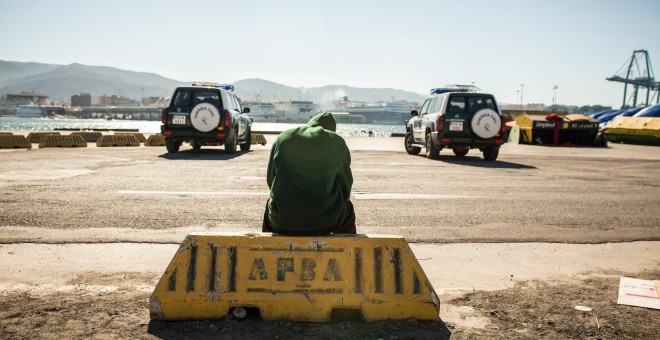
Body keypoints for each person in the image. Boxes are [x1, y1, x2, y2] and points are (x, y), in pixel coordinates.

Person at [262, 111, 356, 235]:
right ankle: (347, 250)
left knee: (272, 202)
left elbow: (271, 180)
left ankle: (266, 247)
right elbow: (345, 187)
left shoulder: (284, 137)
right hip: (326, 224)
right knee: (347, 206)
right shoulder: (336, 141)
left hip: (282, 223)